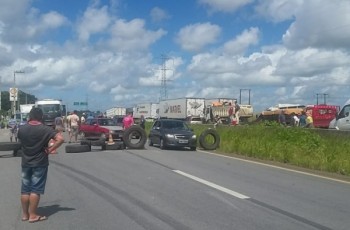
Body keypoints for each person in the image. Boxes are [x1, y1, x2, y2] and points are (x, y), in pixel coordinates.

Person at [17, 107, 64, 223]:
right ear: (41, 116)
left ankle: (25, 215)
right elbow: (60, 139)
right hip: (40, 162)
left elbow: (21, 142)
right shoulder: (45, 129)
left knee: (25, 189)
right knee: (35, 189)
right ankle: (33, 215)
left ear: (30, 116)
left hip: (26, 162)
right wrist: (50, 149)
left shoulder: (22, 129)